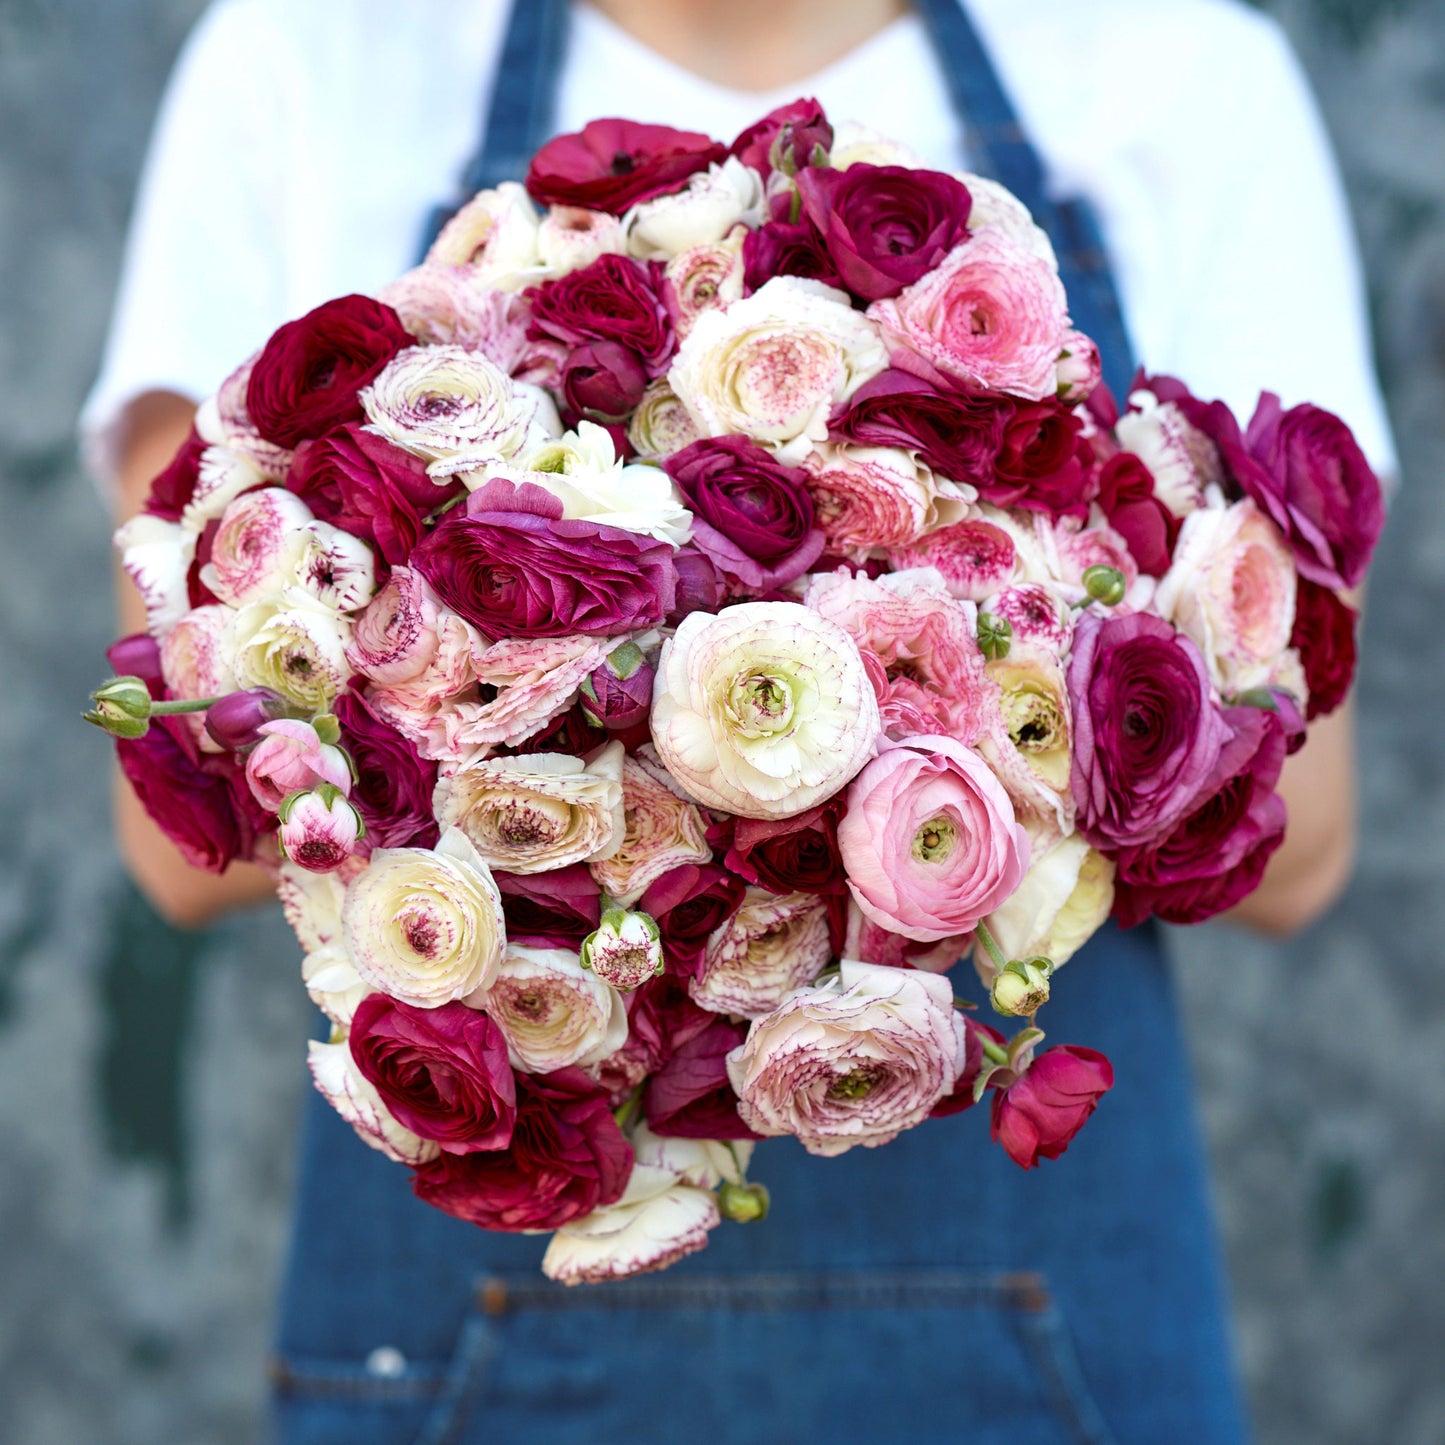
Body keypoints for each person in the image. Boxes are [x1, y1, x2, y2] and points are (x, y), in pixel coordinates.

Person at [83, 1, 1396, 1440]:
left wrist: (890, 724)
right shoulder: (315, 57)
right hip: (490, 1340)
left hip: (1031, 1356)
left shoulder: (1166, 67)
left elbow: (1304, 838)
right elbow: (176, 831)